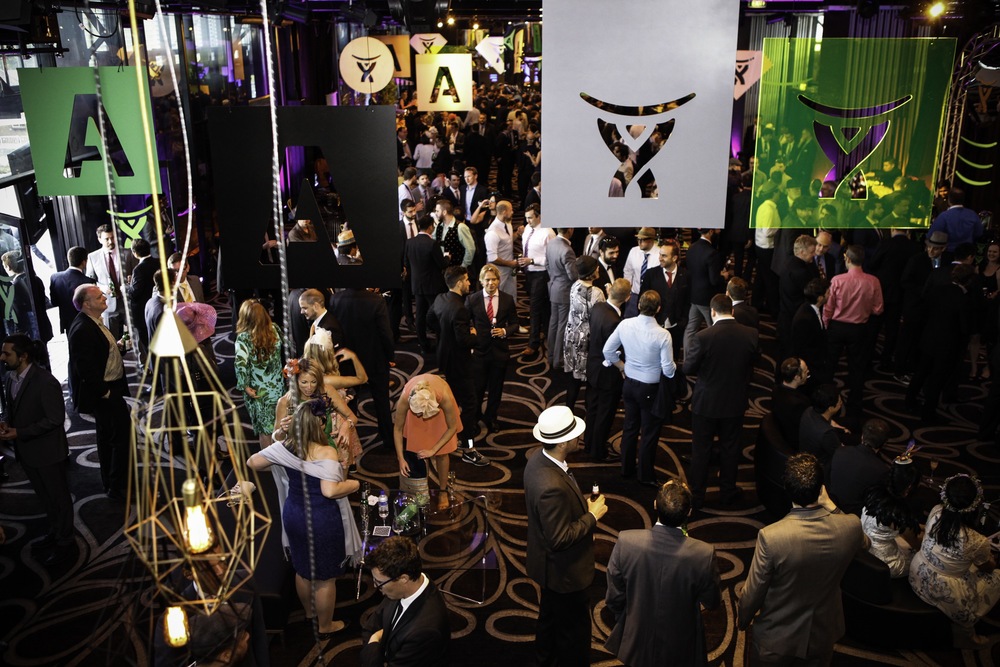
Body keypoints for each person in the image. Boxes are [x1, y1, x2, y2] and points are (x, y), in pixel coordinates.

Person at [738, 453, 869, 665]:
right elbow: (866, 543)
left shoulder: (772, 537)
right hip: (823, 633)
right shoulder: (851, 526)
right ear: (821, 489)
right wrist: (831, 506)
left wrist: (743, 620)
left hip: (778, 638)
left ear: (787, 489)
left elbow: (754, 591)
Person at [248, 399, 361, 638]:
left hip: (294, 514)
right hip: (321, 519)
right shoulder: (326, 452)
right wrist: (354, 485)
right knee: (325, 578)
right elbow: (329, 491)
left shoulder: (286, 447)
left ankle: (310, 613)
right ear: (318, 423)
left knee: (302, 569)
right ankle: (326, 626)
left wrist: (279, 464)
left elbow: (253, 462)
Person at [524, 405, 607, 666]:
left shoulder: (537, 459)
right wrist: (592, 516)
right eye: (574, 435)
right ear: (562, 443)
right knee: (574, 636)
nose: (579, 437)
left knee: (549, 620)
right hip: (564, 574)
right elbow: (559, 539)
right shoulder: (551, 486)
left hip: (547, 567)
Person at [604, 480, 721, 666]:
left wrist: (627, 617)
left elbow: (614, 596)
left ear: (655, 505)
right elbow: (712, 601)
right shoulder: (703, 554)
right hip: (681, 645)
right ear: (689, 512)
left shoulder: (626, 541)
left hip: (636, 639)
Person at [0, 335, 74, 565]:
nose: (2, 357)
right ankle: (56, 531)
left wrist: (19, 432)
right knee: (45, 497)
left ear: (23, 356)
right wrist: (5, 422)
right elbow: (12, 409)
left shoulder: (45, 382)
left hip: (48, 452)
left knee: (59, 498)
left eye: (7, 353)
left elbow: (55, 419)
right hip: (28, 452)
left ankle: (66, 542)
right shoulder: (11, 377)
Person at [684, 294, 759, 509]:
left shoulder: (703, 336)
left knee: (701, 450)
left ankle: (697, 496)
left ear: (712, 311)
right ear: (732, 311)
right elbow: (755, 362)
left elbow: (688, 368)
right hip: (735, 402)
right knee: (731, 448)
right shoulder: (751, 334)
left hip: (706, 403)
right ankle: (727, 492)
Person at [909, 473, 1000, 649]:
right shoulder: (976, 540)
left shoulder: (936, 511)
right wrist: (990, 559)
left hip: (916, 575)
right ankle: (967, 635)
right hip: (946, 593)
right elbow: (988, 568)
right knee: (997, 576)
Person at [603, 290, 676, 487]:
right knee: (649, 432)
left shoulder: (625, 324)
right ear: (658, 309)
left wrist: (622, 367)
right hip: (650, 388)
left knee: (630, 426)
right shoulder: (663, 335)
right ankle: (645, 475)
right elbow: (668, 370)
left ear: (638, 306)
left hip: (629, 384)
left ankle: (626, 468)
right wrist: (673, 368)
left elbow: (607, 351)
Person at [67, 284, 130, 501]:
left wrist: (117, 347)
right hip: (105, 394)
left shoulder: (93, 321)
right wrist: (105, 392)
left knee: (110, 436)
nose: (104, 297)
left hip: (110, 388)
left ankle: (114, 482)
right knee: (119, 438)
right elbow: (84, 369)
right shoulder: (82, 329)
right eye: (99, 296)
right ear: (87, 304)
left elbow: (98, 353)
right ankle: (117, 486)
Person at [361, 536, 451, 666]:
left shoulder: (425, 631)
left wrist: (375, 639)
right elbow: (370, 627)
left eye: (379, 582)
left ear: (403, 578)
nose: (375, 586)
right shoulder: (397, 589)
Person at [824, 245, 884, 426]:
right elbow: (878, 309)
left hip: (837, 327)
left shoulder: (837, 280)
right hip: (859, 329)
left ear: (847, 259)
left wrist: (825, 325)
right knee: (857, 369)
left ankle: (824, 401)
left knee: (830, 366)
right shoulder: (873, 281)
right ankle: (854, 408)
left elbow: (828, 308)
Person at [330, 286, 396, 451]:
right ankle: (388, 440)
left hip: (347, 360)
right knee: (382, 401)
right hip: (375, 359)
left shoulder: (335, 299)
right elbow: (385, 332)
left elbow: (334, 331)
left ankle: (350, 442)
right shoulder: (376, 300)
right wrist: (390, 356)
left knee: (349, 402)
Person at [394, 374, 463, 509]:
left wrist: (433, 450)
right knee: (416, 451)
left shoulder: (443, 397)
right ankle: (420, 490)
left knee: (442, 453)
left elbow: (452, 427)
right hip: (418, 404)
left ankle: (443, 490)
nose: (420, 416)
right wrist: (400, 458)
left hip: (439, 412)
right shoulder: (405, 397)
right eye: (417, 413)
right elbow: (397, 429)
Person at [466, 264, 517, 433]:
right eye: (487, 280)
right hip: (479, 351)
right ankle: (474, 418)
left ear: (498, 280)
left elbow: (515, 324)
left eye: (494, 279)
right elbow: (464, 322)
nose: (491, 283)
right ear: (481, 281)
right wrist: (471, 332)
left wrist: (505, 331)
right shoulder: (472, 300)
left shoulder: (507, 299)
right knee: (477, 388)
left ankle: (491, 417)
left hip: (499, 352)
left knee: (496, 389)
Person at [585, 279, 630, 462]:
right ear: (627, 298)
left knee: (592, 409)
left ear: (610, 291)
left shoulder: (598, 307)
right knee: (604, 414)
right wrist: (623, 367)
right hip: (607, 375)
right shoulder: (615, 322)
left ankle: (588, 443)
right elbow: (612, 352)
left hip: (593, 367)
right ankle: (598, 451)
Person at [234, 300, 284, 450]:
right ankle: (282, 456)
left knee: (265, 430)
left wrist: (244, 386)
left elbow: (240, 364)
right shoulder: (275, 329)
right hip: (278, 386)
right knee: (280, 424)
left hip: (258, 391)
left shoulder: (244, 338)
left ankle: (269, 460)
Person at [861, 456, 921, 578]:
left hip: (863, 550)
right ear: (909, 487)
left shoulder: (874, 494)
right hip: (885, 564)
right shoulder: (899, 513)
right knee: (919, 560)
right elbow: (916, 543)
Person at [562, 256, 605, 410]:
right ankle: (589, 413)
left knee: (573, 380)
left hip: (571, 336)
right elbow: (601, 317)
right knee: (590, 380)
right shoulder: (597, 293)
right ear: (591, 272)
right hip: (587, 341)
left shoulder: (575, 285)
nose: (598, 269)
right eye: (596, 267)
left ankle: (569, 409)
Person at [683, 229, 732, 353]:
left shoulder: (691, 248)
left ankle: (687, 357)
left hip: (694, 295)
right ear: (710, 232)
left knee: (690, 330)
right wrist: (724, 276)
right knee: (714, 329)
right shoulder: (712, 253)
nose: (718, 232)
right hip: (708, 299)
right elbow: (714, 280)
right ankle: (714, 357)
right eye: (716, 230)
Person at [405, 215, 448, 355]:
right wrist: (447, 258)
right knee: (436, 314)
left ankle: (423, 345)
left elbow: (406, 263)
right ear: (430, 227)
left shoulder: (409, 242)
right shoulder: (432, 244)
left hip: (417, 285)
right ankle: (440, 343)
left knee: (420, 316)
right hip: (433, 285)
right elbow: (442, 264)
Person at [828, 418, 890, 515]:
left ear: (862, 436)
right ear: (884, 443)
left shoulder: (841, 451)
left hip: (830, 505)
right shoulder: (881, 470)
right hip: (853, 517)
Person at [85, 223, 133, 339]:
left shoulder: (128, 253)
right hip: (107, 305)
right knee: (111, 339)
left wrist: (131, 280)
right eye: (107, 239)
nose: (111, 241)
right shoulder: (93, 257)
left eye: (113, 237)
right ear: (99, 239)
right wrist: (101, 287)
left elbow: (135, 275)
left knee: (135, 337)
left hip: (128, 302)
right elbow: (90, 281)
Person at [518, 204, 553, 359]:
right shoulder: (527, 228)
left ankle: (533, 343)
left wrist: (532, 260)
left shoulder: (548, 232)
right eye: (526, 218)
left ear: (539, 216)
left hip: (541, 274)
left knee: (534, 308)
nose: (528, 221)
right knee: (543, 307)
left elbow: (551, 258)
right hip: (529, 273)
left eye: (531, 218)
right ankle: (547, 334)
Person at [545, 227, 577, 370]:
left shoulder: (551, 243)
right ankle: (558, 360)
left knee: (553, 323)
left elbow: (547, 265)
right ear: (570, 230)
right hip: (564, 291)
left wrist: (555, 279)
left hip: (553, 288)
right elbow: (573, 275)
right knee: (562, 326)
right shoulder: (567, 250)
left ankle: (551, 356)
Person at [49, 246, 95, 334]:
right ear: (84, 262)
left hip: (67, 323)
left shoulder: (55, 278)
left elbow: (54, 302)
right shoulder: (88, 282)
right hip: (85, 323)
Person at [771, 357, 812, 447]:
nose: (808, 372)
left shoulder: (776, 389)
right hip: (792, 443)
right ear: (796, 377)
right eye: (805, 371)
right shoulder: (799, 404)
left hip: (779, 433)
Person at [622, 227, 658, 318]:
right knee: (629, 320)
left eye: (642, 240)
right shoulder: (634, 251)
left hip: (651, 296)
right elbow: (628, 271)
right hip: (634, 295)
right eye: (638, 239)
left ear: (651, 240)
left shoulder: (659, 254)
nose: (639, 242)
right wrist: (628, 290)